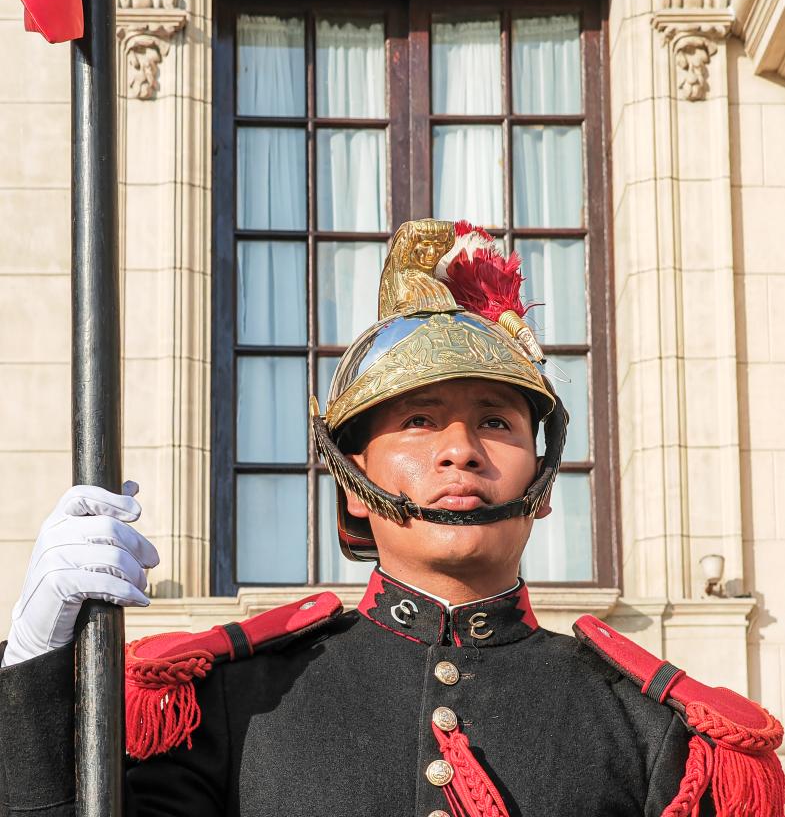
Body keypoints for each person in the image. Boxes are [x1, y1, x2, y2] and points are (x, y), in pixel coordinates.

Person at [0, 218, 781, 817]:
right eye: (417, 422)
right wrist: (33, 670)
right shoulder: (232, 704)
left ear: (541, 487)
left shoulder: (651, 729)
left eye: (496, 423)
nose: (459, 450)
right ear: (353, 484)